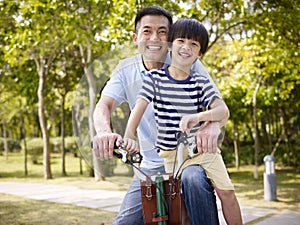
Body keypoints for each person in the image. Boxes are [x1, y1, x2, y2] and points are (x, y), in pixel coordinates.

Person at [93, 6, 222, 225]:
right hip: (150, 167)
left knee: (193, 179)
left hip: (189, 159)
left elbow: (218, 106)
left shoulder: (189, 62)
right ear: (135, 38)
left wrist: (212, 124)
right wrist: (105, 132)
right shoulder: (125, 70)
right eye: (147, 31)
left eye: (162, 32)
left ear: (171, 39)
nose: (155, 38)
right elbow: (103, 106)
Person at [123, 18, 243, 225]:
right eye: (181, 41)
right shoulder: (154, 78)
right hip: (172, 155)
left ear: (200, 54)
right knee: (181, 208)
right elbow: (138, 108)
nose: (186, 47)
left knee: (227, 194)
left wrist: (198, 117)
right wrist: (128, 137)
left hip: (202, 150)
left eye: (194, 44)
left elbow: (222, 110)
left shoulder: (200, 81)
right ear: (170, 44)